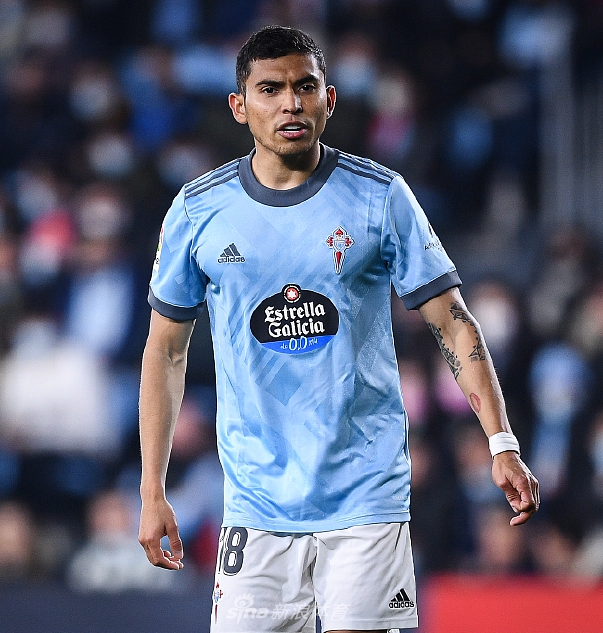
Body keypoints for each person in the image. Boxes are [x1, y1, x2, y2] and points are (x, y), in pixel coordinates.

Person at [138, 25, 539, 633]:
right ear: (239, 107)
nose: (290, 103)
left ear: (329, 99)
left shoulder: (380, 197)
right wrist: (152, 491)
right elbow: (165, 352)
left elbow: (455, 323)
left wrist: (501, 441)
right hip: (255, 504)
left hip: (365, 498)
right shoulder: (199, 211)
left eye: (305, 87)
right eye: (270, 89)